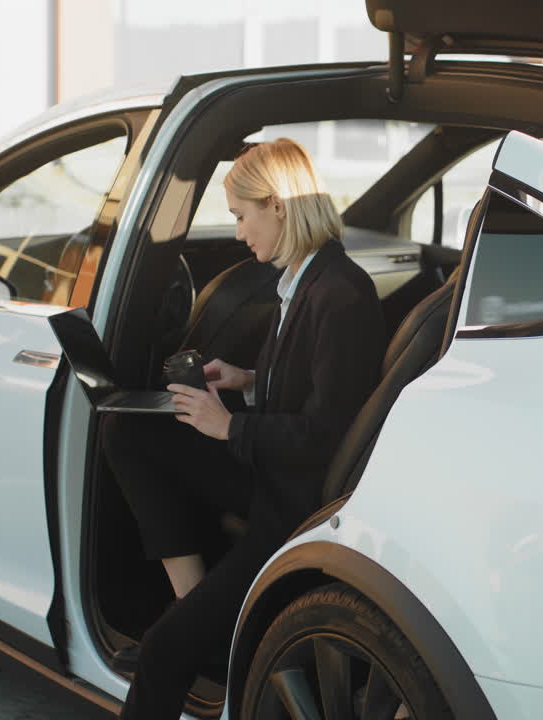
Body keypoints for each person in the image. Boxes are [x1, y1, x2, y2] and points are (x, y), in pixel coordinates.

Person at [103, 138, 386, 719]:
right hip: (272, 473)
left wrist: (227, 428)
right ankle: (190, 601)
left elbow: (328, 437)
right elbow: (316, 389)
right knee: (131, 431)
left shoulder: (340, 293)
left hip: (292, 505)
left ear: (277, 205)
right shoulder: (306, 280)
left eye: (240, 215)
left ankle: (189, 626)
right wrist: (249, 379)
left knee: (162, 653)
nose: (237, 233)